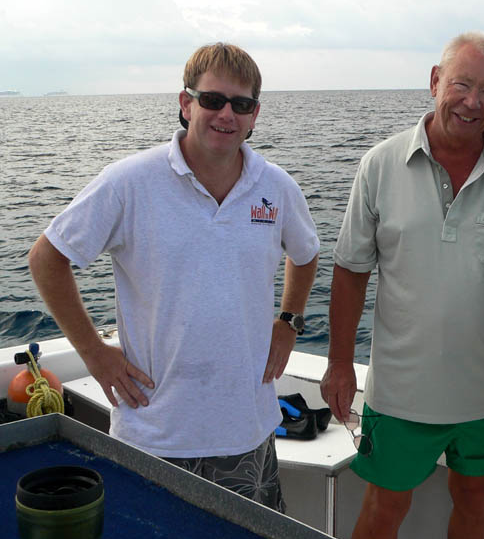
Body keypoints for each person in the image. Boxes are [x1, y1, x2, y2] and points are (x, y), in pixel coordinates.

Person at [28, 43, 320, 512]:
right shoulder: (129, 181)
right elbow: (47, 259)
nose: (226, 114)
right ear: (186, 103)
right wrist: (94, 353)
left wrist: (288, 322)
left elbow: (305, 255)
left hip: (246, 430)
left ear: (255, 115)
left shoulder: (278, 188)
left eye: (241, 104)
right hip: (153, 434)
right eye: (213, 100)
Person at [320, 32, 484, 539]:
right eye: (461, 85)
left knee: (474, 499)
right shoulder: (380, 164)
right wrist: (338, 363)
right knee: (384, 506)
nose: (472, 102)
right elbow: (350, 270)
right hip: (401, 390)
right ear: (434, 81)